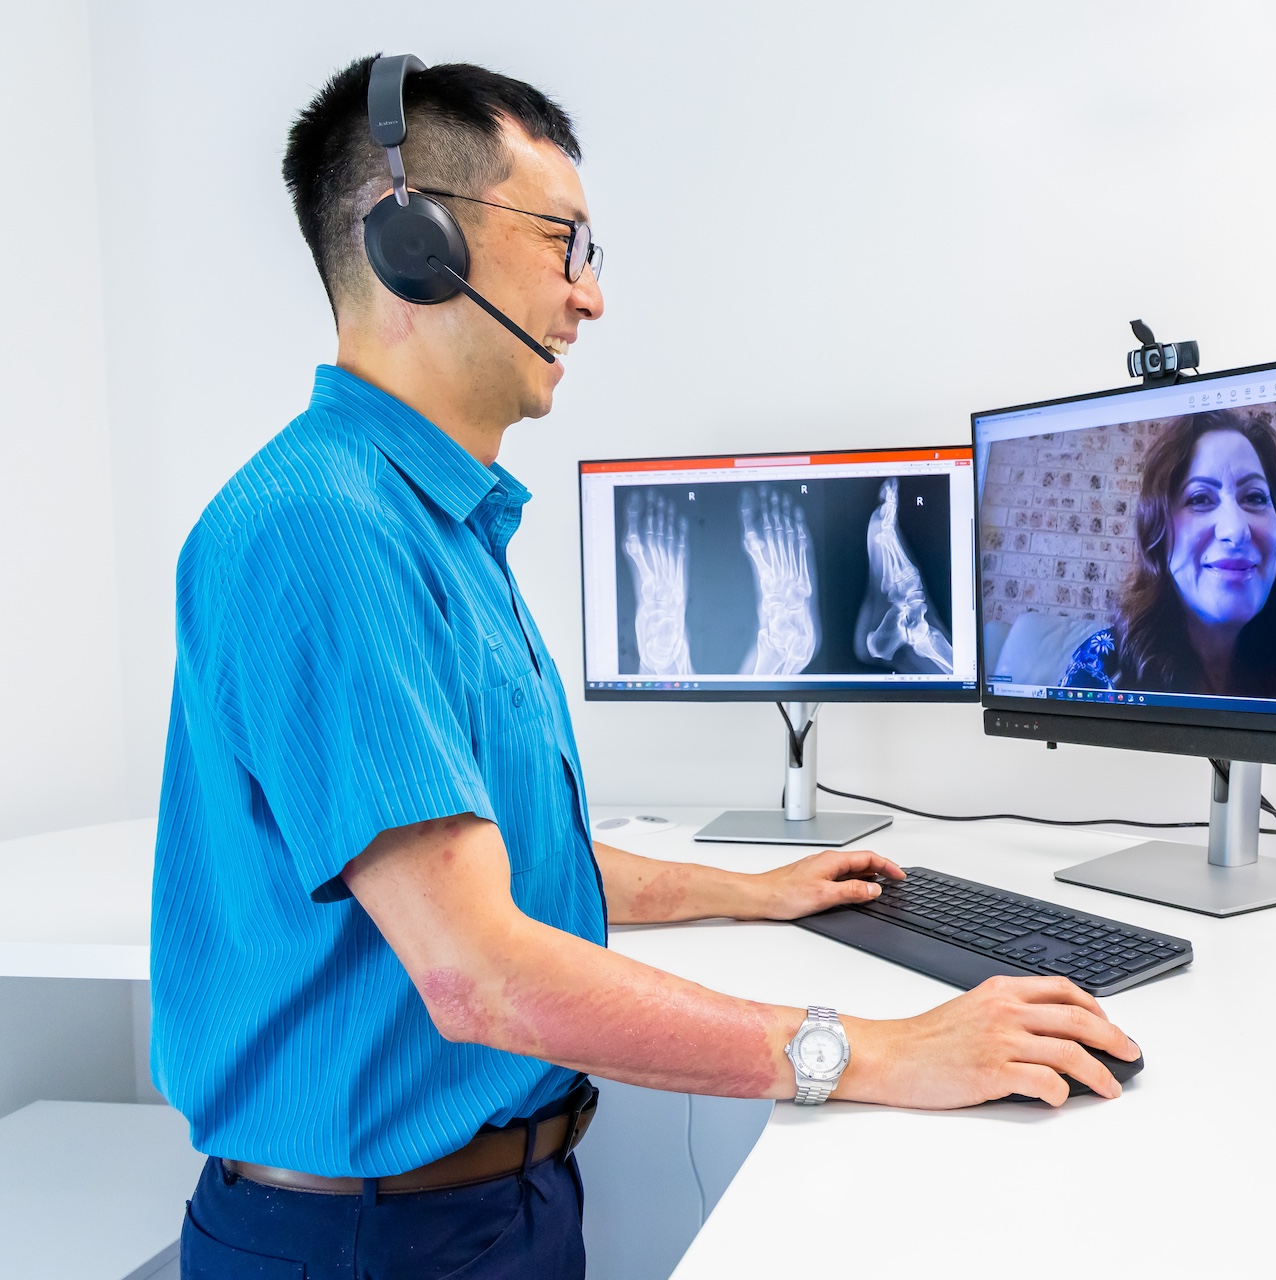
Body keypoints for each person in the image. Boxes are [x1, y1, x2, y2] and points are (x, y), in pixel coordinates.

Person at [154, 56, 1135, 1279]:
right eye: (565, 242)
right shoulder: (324, 530)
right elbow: (478, 972)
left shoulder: (433, 524)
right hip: (371, 1241)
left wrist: (757, 890)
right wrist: (881, 1048)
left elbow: (498, 858)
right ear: (420, 245)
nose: (591, 297)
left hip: (482, 1207)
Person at [1063, 411, 1276, 701]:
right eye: (1199, 499)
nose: (1236, 530)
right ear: (1157, 533)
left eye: (1255, 497)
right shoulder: (1102, 672)